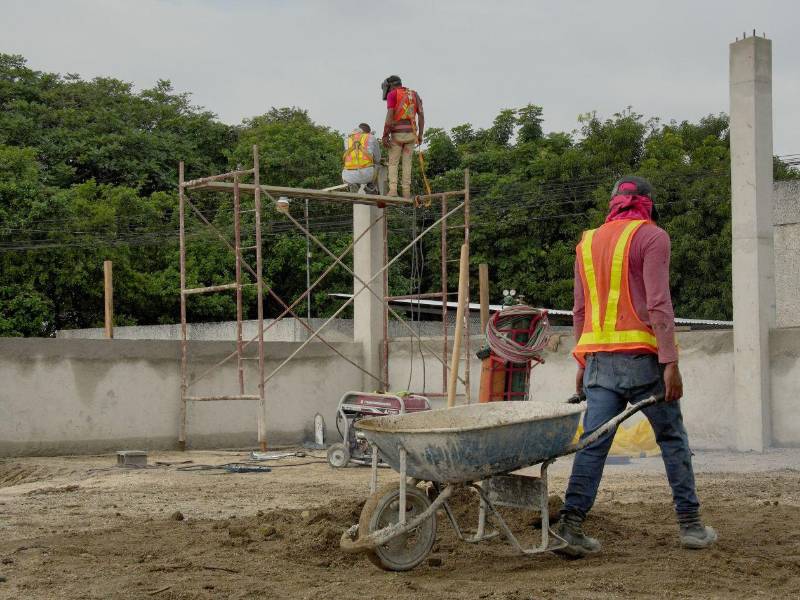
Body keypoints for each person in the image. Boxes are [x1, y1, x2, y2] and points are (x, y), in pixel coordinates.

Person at [556, 176, 717, 557]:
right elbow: (659, 304)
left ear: (614, 203)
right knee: (672, 439)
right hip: (644, 361)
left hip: (598, 363)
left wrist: (581, 360)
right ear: (645, 203)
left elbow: (580, 310)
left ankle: (570, 526)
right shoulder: (652, 236)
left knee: (592, 444)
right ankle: (691, 527)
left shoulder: (587, 242)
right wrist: (670, 362)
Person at [381, 75, 424, 198]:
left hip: (397, 136)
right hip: (411, 135)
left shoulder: (392, 94)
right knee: (407, 164)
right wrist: (420, 134)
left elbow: (390, 116)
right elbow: (421, 115)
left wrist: (385, 135)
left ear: (390, 86)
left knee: (393, 163)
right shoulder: (414, 94)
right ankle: (406, 192)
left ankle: (393, 190)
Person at [342, 123, 381, 194]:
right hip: (366, 175)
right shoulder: (371, 137)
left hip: (348, 176)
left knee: (347, 166)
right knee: (377, 165)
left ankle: (352, 184)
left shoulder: (347, 139)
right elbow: (378, 158)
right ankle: (370, 186)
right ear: (368, 132)